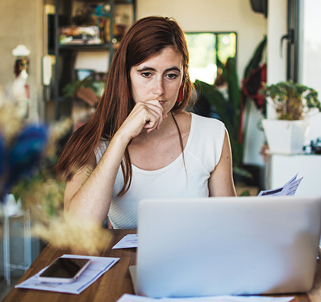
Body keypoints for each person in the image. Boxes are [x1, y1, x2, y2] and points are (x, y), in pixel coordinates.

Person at [56, 16, 236, 229]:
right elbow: (76, 229)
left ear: (183, 79)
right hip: (128, 263)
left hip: (194, 261)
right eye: (146, 73)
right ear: (125, 76)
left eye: (170, 75)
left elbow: (229, 227)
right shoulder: (93, 141)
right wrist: (121, 137)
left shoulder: (211, 135)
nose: (159, 89)